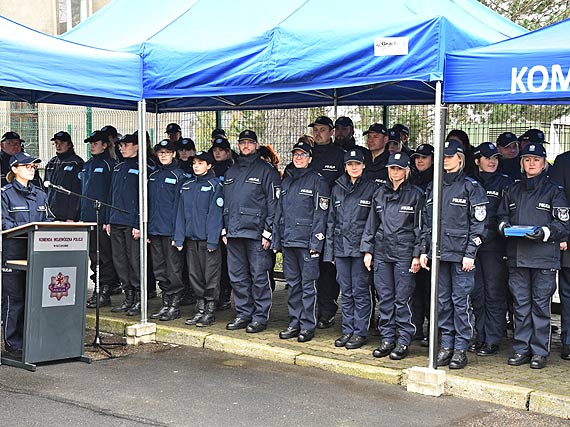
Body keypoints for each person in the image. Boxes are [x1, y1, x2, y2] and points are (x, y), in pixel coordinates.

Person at [498, 142, 569, 369]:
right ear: (521, 162)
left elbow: (563, 223)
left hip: (544, 258)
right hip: (517, 257)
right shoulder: (512, 189)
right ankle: (521, 349)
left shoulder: (554, 191)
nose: (531, 164)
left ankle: (539, 352)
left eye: (536, 160)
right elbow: (500, 216)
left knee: (540, 306)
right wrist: (503, 227)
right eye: (527, 159)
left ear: (544, 163)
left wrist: (545, 232)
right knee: (520, 305)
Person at [420, 139, 488, 370]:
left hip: (461, 257)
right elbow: (426, 224)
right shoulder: (433, 186)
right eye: (442, 156)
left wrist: (471, 253)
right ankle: (446, 345)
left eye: (449, 156)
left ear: (460, 158)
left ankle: (460, 348)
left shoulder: (471, 186)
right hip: (439, 255)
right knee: (442, 302)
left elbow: (479, 224)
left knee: (461, 302)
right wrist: (424, 251)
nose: (445, 160)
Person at [362, 152, 424, 360]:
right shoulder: (379, 194)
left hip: (404, 254)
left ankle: (404, 340)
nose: (394, 172)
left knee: (402, 299)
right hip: (382, 253)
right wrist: (368, 250)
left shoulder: (416, 195)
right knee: (385, 298)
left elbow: (420, 229)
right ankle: (387, 338)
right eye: (391, 168)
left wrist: (417, 255)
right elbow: (371, 224)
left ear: (407, 170)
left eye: (398, 168)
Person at [222, 129, 281, 333]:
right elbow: (224, 203)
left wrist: (268, 232)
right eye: (242, 143)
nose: (245, 146)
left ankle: (259, 316)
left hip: (257, 234)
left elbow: (274, 204)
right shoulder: (232, 171)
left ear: (257, 145)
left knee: (259, 276)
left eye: (249, 143)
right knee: (237, 276)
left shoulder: (267, 171)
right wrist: (224, 229)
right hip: (234, 233)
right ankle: (243, 313)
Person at [273, 140, 330, 342]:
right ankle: (294, 322)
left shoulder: (317, 181)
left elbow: (321, 214)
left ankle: (307, 325)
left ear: (310, 159)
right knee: (293, 285)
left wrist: (316, 243)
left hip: (307, 244)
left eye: (303, 155)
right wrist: (276, 240)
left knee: (308, 286)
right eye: (296, 154)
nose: (298, 158)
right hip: (289, 242)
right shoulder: (287, 180)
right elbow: (279, 212)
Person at [1, 152, 54, 357]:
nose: (32, 169)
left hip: (37, 253)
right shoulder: (4, 194)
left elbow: (48, 219)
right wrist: (30, 227)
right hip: (14, 254)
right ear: (14, 169)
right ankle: (13, 344)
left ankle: (33, 339)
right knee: (14, 299)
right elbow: (4, 223)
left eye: (33, 166)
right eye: (27, 166)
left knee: (34, 298)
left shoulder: (40, 194)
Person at [325, 149, 377, 349]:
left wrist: (368, 250)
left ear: (363, 165)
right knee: (346, 292)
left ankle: (360, 332)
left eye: (357, 164)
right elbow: (331, 220)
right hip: (341, 248)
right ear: (345, 167)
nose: (354, 167)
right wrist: (330, 251)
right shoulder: (337, 187)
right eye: (350, 164)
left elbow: (373, 223)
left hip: (360, 250)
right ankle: (348, 330)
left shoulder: (372, 188)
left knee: (360, 291)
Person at [470, 143, 513, 356]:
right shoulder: (469, 182)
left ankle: (493, 339)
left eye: (495, 157)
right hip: (472, 247)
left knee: (494, 292)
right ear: (477, 161)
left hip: (495, 247)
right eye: (487, 157)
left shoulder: (505, 183)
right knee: (477, 293)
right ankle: (481, 336)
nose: (492, 161)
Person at [174, 151, 223, 327]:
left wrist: (212, 240)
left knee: (210, 275)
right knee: (194, 274)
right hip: (191, 239)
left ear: (209, 166)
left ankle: (210, 310)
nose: (196, 166)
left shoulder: (214, 186)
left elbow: (215, 215)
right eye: (195, 163)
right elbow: (180, 213)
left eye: (201, 163)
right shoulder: (187, 186)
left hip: (207, 240)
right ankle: (200, 309)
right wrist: (179, 238)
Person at [307, 116, 345, 329]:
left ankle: (327, 310)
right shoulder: (308, 154)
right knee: (310, 267)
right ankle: (310, 308)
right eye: (316, 130)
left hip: (330, 221)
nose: (318, 133)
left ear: (331, 131)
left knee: (327, 267)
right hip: (308, 221)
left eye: (322, 129)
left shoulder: (339, 155)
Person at [106, 133, 145, 316]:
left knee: (134, 261)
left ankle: (138, 298)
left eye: (127, 145)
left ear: (137, 147)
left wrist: (138, 222)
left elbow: (143, 198)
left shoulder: (143, 167)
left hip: (131, 223)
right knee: (120, 261)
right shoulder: (118, 167)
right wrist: (108, 219)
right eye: (121, 145)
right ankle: (128, 297)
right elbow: (110, 194)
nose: (122, 148)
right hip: (116, 220)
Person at [147, 139, 186, 321]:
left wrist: (178, 234)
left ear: (173, 154)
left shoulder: (180, 176)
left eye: (166, 152)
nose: (163, 155)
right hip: (155, 230)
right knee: (159, 269)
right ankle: (165, 302)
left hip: (171, 231)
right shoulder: (153, 176)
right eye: (160, 152)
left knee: (173, 269)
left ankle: (174, 304)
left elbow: (181, 208)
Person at [81, 130, 119, 309]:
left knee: (104, 256)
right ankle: (97, 286)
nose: (92, 146)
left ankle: (105, 289)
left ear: (105, 145)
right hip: (87, 217)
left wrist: (107, 219)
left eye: (96, 143)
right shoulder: (87, 165)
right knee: (93, 256)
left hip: (102, 218)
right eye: (91, 143)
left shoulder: (109, 164)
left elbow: (112, 194)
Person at [409, 144, 434, 347]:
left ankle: (430, 330)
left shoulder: (437, 181)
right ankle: (415, 326)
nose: (420, 160)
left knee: (430, 290)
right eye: (417, 157)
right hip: (411, 241)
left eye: (424, 157)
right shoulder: (411, 178)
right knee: (414, 289)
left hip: (429, 243)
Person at [550, 148, 570, 361]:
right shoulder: (564, 162)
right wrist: (563, 236)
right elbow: (558, 205)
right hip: (569, 241)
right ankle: (569, 342)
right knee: (568, 295)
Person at [211, 136, 234, 310]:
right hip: (212, 220)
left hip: (227, 220)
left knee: (227, 261)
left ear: (227, 152)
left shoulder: (232, 169)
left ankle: (225, 293)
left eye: (221, 150)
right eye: (215, 150)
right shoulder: (210, 169)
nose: (217, 153)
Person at [43, 131, 84, 222]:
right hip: (50, 214)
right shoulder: (51, 163)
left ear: (69, 145)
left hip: (67, 215)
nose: (58, 146)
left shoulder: (76, 163)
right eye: (56, 143)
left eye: (62, 143)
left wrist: (71, 216)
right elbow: (45, 189)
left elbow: (77, 192)